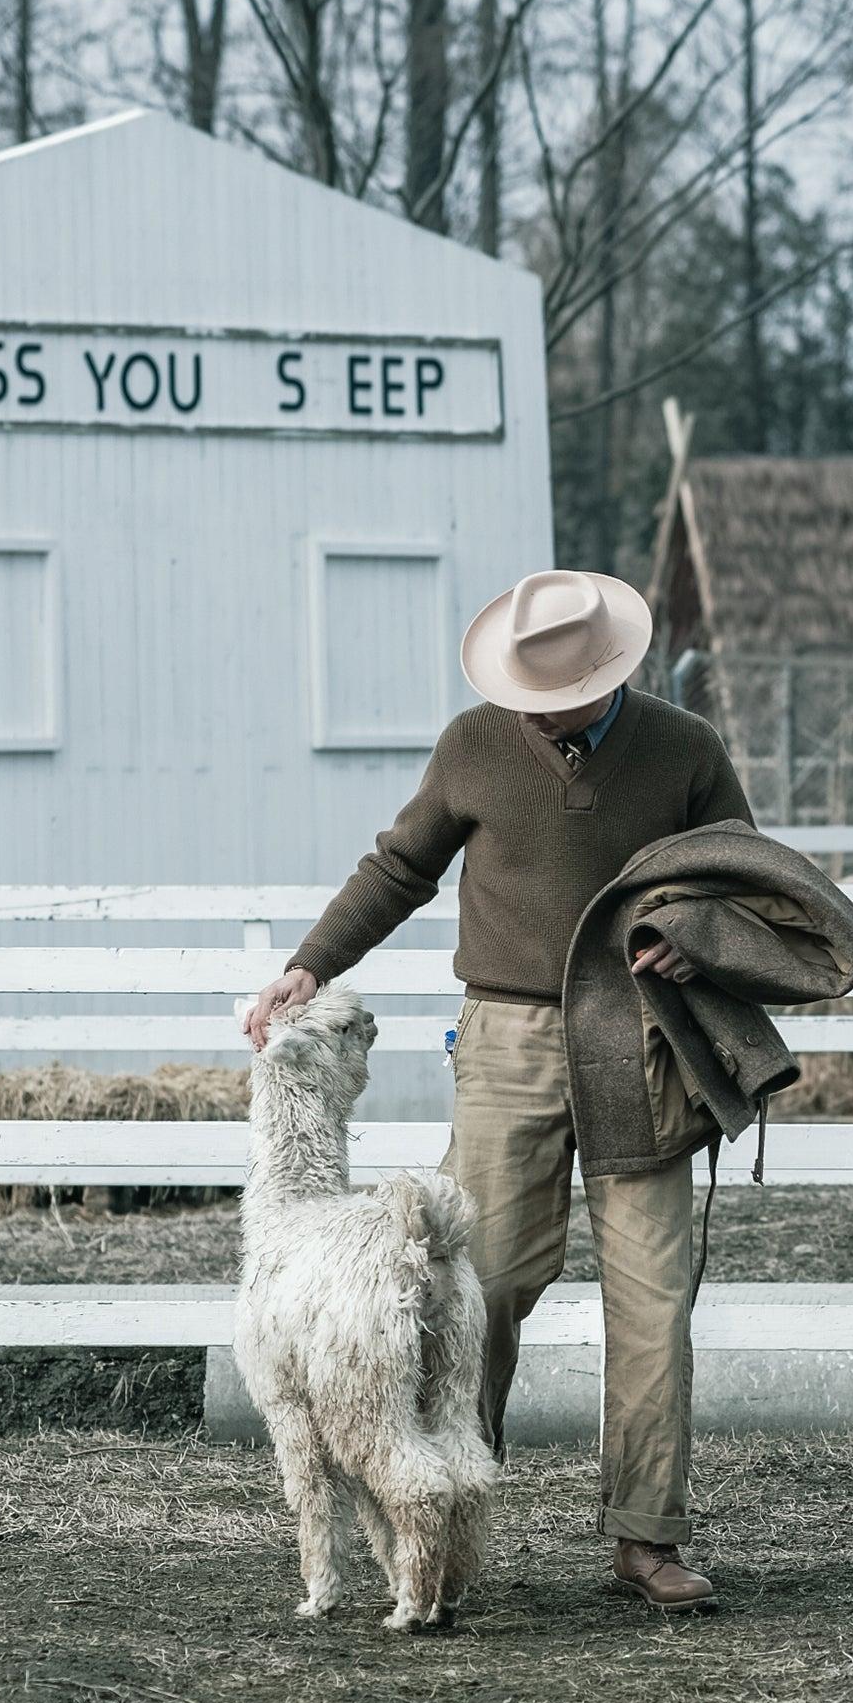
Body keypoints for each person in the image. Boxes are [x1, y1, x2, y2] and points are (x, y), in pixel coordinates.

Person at [244, 568, 753, 1611]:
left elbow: (742, 879)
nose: (532, 702)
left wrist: (698, 944)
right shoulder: (475, 745)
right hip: (508, 1038)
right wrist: (313, 963)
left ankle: (646, 1541)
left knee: (653, 1300)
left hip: (647, 1039)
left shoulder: (686, 752)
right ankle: (442, 1532)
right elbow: (400, 866)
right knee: (471, 1288)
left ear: (605, 671)